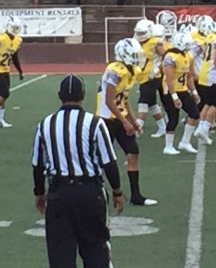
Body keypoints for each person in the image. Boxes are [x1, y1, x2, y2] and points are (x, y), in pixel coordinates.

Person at [32, 74, 125, 268]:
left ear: (60, 95)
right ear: (83, 95)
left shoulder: (45, 124)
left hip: (59, 193)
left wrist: (39, 193)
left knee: (60, 254)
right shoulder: (95, 123)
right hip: (89, 192)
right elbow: (109, 161)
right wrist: (117, 191)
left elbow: (38, 164)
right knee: (96, 248)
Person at [96, 38, 157, 206]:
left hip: (120, 118)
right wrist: (125, 121)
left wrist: (133, 120)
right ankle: (98, 193)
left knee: (133, 152)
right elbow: (109, 101)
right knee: (101, 158)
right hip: (107, 120)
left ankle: (136, 195)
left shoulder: (132, 71)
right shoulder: (114, 70)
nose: (138, 58)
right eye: (135, 55)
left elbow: (124, 99)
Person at [162, 32, 201, 155]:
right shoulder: (170, 56)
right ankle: (168, 146)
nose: (189, 46)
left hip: (183, 90)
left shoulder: (186, 56)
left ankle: (185, 142)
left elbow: (188, 76)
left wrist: (194, 92)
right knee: (173, 118)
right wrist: (174, 97)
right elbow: (169, 79)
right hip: (170, 92)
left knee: (194, 114)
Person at [133, 19, 167, 138]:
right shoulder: (136, 42)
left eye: (143, 33)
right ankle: (162, 127)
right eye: (139, 33)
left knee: (143, 103)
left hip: (152, 78)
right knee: (152, 105)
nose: (140, 35)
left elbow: (168, 58)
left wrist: (157, 70)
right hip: (142, 77)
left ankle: (137, 128)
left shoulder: (156, 42)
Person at [0, 16, 24, 128]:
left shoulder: (17, 40)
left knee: (3, 95)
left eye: (16, 28)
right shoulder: (1, 38)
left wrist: (20, 71)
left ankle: (0, 120)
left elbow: (15, 57)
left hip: (5, 70)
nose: (15, 30)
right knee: (4, 94)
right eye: (13, 27)